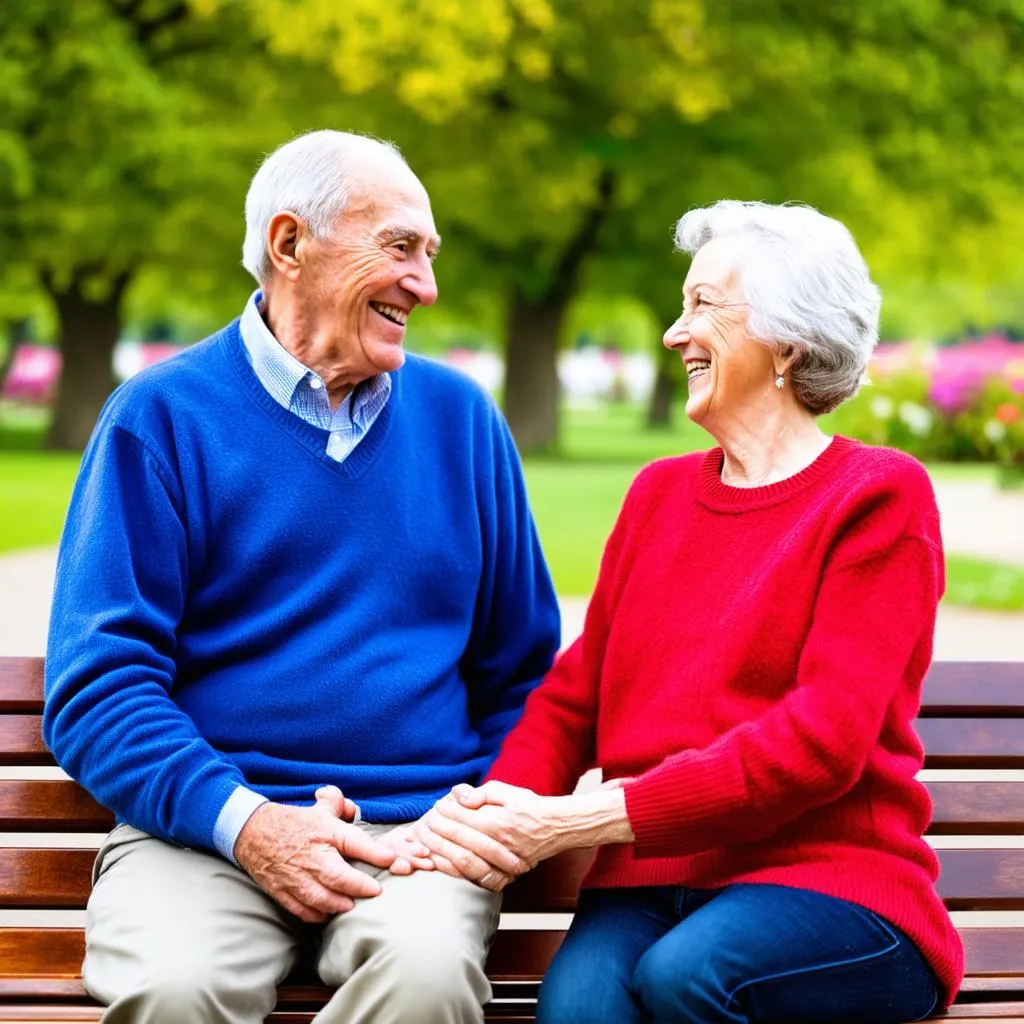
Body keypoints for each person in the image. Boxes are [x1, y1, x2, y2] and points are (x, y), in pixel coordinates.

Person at [42, 129, 560, 1024]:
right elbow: (97, 687)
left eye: (430, 257)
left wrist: (479, 815)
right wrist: (247, 822)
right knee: (174, 988)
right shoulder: (159, 420)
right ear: (290, 244)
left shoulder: (464, 424)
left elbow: (524, 674)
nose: (426, 286)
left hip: (417, 834)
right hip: (203, 829)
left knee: (428, 976)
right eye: (399, 247)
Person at [415, 201, 964, 1023]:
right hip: (647, 883)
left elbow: (821, 742)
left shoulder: (878, 497)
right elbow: (574, 698)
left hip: (832, 885)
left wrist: (582, 817)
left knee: (689, 976)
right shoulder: (658, 496)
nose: (675, 334)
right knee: (579, 1005)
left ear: (787, 339)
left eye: (703, 305)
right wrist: (499, 814)